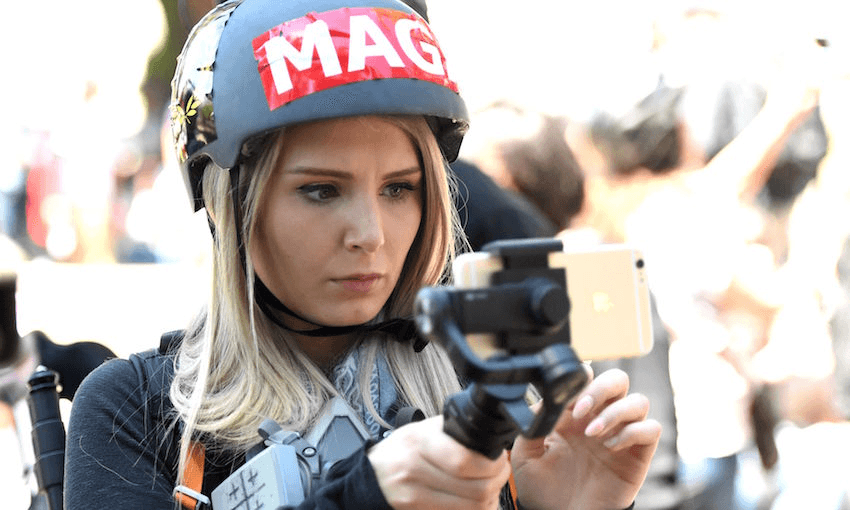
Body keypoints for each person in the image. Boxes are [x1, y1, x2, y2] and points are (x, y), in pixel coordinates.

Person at [64, 1, 661, 509]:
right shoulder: (134, 411)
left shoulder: (498, 399)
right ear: (228, 206)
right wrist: (366, 496)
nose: (370, 234)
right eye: (321, 190)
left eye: (399, 189)